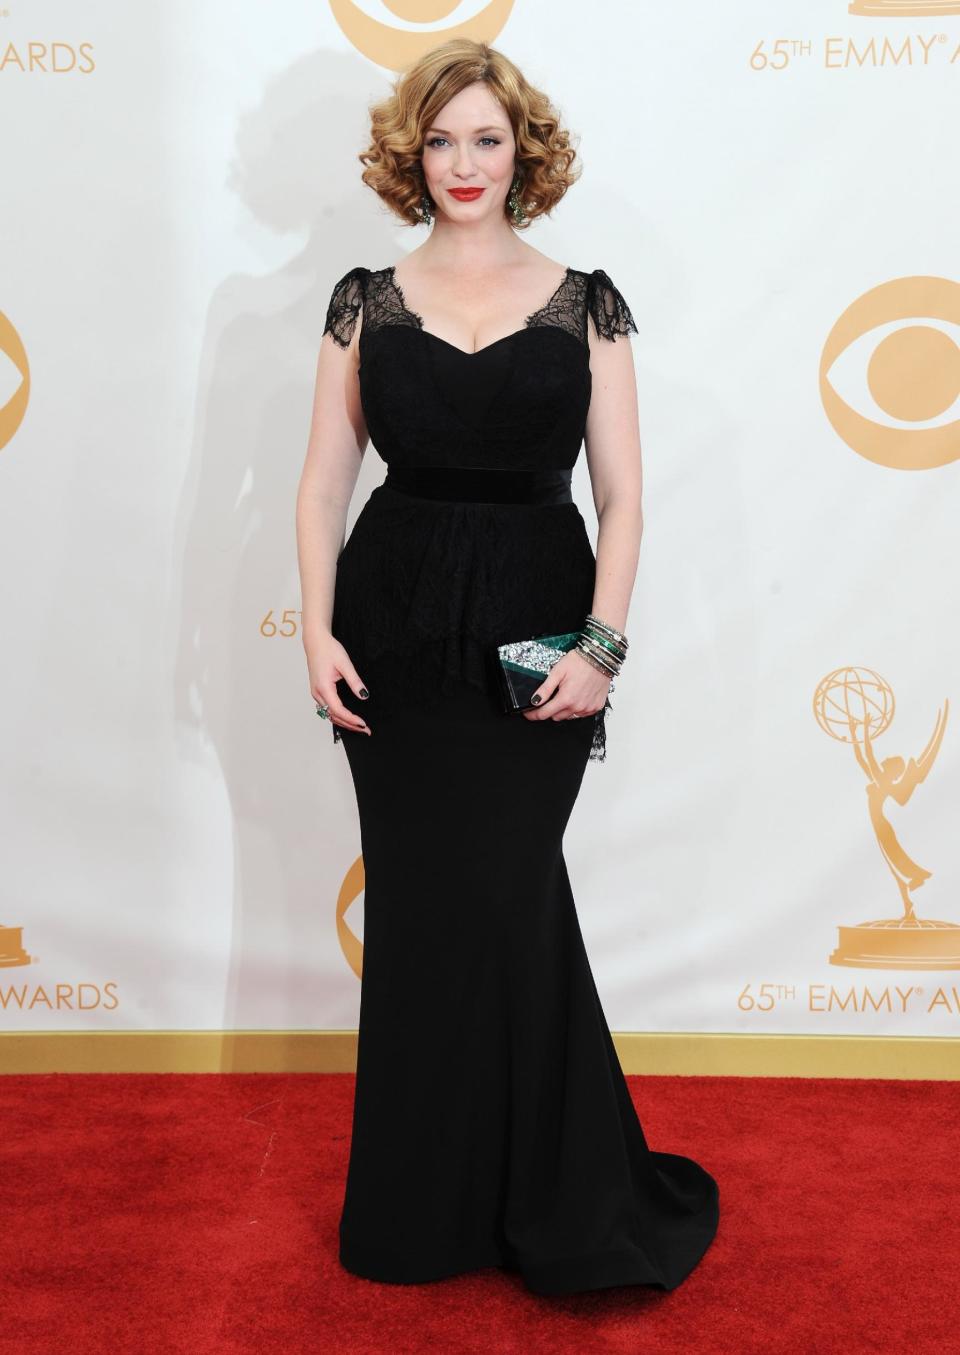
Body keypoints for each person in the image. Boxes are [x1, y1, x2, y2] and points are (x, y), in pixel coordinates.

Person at [295, 37, 719, 1297]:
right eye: (441, 139)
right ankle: (422, 1214)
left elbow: (626, 496)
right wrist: (316, 630)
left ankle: (565, 1193)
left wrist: (602, 646)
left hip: (541, 633)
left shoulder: (586, 300)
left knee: (509, 901)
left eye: (487, 138)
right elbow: (324, 483)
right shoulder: (362, 298)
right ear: (408, 154)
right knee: (426, 917)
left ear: (522, 149)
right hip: (396, 631)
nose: (464, 163)